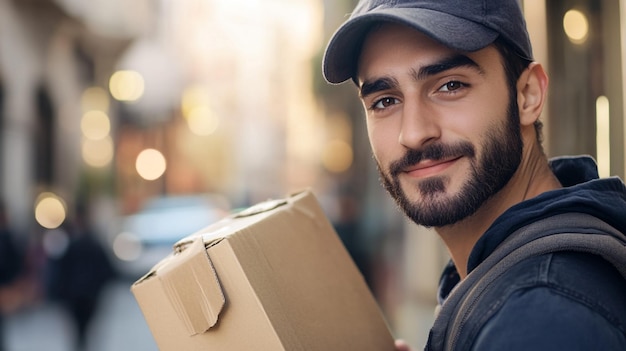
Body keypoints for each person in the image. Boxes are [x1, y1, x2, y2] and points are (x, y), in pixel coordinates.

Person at [322, 1, 626, 350]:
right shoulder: (510, 280)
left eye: (450, 85)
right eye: (385, 101)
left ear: (527, 95)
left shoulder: (540, 322)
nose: (414, 133)